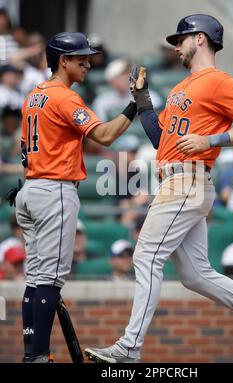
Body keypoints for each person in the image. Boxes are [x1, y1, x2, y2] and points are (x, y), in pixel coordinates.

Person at [85, 15, 233, 364]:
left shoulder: (218, 81)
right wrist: (142, 99)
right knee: (197, 275)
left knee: (146, 257)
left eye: (180, 39)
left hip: (188, 180)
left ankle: (129, 348)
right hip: (177, 178)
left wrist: (211, 139)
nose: (175, 46)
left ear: (200, 39)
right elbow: (159, 139)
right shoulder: (183, 87)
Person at [12, 32, 138, 363]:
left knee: (36, 278)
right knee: (50, 281)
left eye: (88, 56)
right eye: (79, 56)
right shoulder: (66, 98)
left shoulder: (33, 96)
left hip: (30, 190)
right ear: (62, 61)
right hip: (54, 190)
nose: (87, 61)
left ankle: (31, 353)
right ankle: (38, 356)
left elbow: (25, 150)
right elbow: (106, 136)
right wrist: (135, 104)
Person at [92, 58, 162, 122]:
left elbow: (156, 119)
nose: (128, 77)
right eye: (122, 74)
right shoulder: (102, 101)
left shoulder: (147, 94)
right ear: (111, 80)